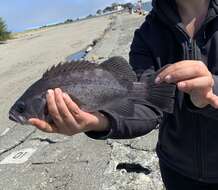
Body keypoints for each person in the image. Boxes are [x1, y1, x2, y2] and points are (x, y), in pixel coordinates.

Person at [29, 0, 218, 189]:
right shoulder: (147, 35)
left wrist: (212, 91)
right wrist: (98, 122)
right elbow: (147, 108)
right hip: (176, 170)